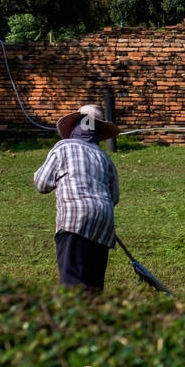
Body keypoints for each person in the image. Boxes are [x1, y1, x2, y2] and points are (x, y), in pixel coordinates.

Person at [34, 104, 121, 291]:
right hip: (104, 222)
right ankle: (92, 318)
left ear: (75, 125)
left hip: (75, 220)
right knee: (93, 285)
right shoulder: (105, 158)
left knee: (72, 283)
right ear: (98, 131)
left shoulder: (63, 148)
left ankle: (74, 317)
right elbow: (114, 198)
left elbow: (42, 185)